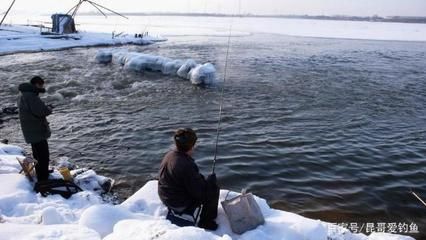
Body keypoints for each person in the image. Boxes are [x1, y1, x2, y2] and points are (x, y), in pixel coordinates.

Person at [158, 128, 220, 230]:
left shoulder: (170, 155)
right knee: (213, 189)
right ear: (192, 146)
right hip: (177, 202)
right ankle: (206, 222)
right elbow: (199, 193)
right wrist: (210, 182)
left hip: (165, 196)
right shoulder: (186, 165)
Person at [18, 76, 53, 181]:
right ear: (36, 84)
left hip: (30, 130)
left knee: (37, 154)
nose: (42, 87)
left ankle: (41, 172)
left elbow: (34, 109)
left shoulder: (24, 94)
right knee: (43, 155)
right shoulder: (31, 96)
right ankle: (43, 178)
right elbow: (41, 111)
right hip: (37, 130)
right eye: (41, 85)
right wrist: (49, 109)